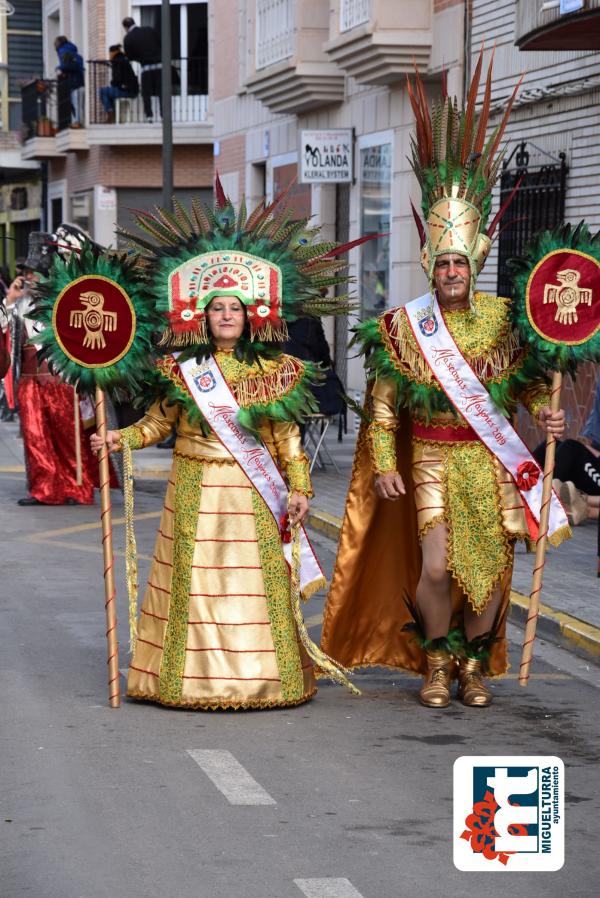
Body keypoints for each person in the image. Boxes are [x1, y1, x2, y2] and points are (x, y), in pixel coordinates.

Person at [320, 53, 570, 709]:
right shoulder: (404, 326)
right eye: (444, 261)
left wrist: (548, 418)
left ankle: (472, 667)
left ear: (475, 262)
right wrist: (381, 464)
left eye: (462, 261)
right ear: (431, 261)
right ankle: (436, 661)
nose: (453, 271)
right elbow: (381, 408)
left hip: (489, 459)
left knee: (487, 573)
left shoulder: (505, 321)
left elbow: (525, 390)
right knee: (436, 565)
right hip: (430, 454)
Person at [89, 186, 359, 711]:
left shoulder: (274, 371)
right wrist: (119, 437)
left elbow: (286, 438)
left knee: (254, 580)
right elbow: (155, 422)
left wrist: (300, 487)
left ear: (251, 313)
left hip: (252, 493)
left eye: (236, 307)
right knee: (191, 580)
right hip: (193, 484)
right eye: (219, 308)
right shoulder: (182, 370)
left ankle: (265, 678)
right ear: (204, 316)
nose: (228, 315)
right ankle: (184, 680)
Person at [5, 232, 96, 505]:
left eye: (35, 273)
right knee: (35, 437)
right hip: (30, 382)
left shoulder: (65, 303)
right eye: (28, 273)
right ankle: (44, 489)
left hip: (62, 381)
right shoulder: (19, 305)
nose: (30, 278)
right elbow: (4, 330)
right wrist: (10, 299)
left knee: (68, 437)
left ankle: (76, 487)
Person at [122, 16, 162, 122]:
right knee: (161, 91)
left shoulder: (128, 38)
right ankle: (164, 115)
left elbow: (129, 56)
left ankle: (149, 116)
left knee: (146, 93)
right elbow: (160, 43)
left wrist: (139, 57)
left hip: (146, 68)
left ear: (125, 27)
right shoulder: (149, 30)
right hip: (160, 65)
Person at [99, 44, 139, 123]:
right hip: (131, 90)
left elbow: (117, 79)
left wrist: (113, 83)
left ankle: (111, 115)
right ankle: (113, 115)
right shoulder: (122, 60)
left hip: (126, 90)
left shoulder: (117, 61)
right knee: (109, 93)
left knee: (102, 91)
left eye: (110, 53)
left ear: (112, 52)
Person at [54, 36, 84, 127]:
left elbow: (68, 65)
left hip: (73, 82)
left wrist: (60, 68)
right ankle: (77, 121)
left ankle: (78, 122)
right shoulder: (72, 50)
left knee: (75, 103)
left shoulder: (63, 50)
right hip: (77, 80)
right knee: (76, 103)